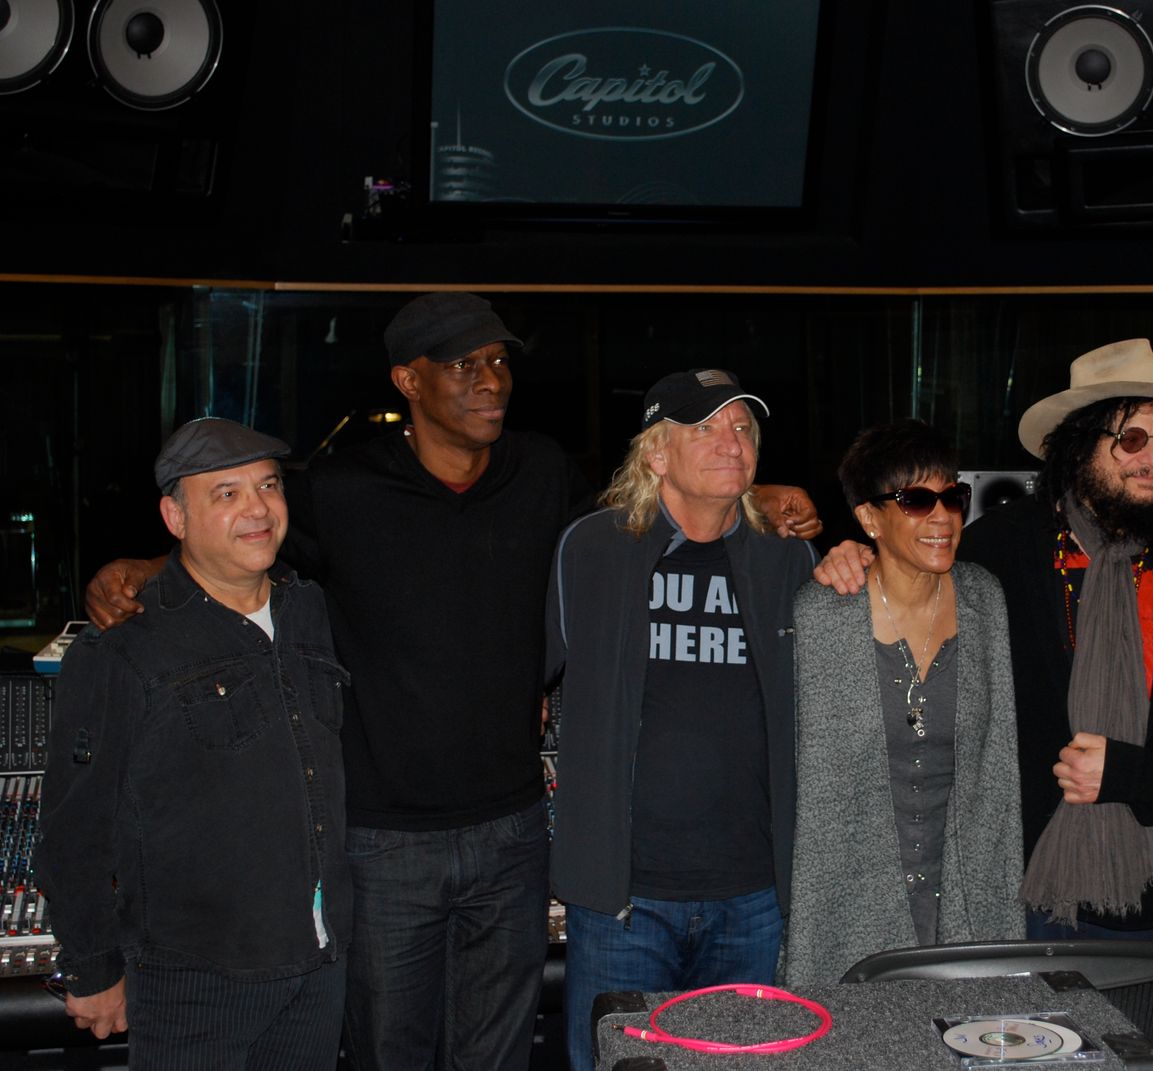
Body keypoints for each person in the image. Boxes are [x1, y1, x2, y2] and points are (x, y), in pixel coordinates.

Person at [83, 295, 822, 1070]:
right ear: (409, 380)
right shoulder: (343, 485)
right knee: (390, 1052)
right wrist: (148, 568)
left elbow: (656, 511)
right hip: (385, 842)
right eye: (464, 364)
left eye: (498, 361)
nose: (490, 379)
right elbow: (246, 547)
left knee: (498, 1056)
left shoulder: (542, 474)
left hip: (511, 834)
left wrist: (757, 495)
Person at [817, 339, 1153, 941]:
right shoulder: (999, 548)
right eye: (1132, 438)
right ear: (1080, 445)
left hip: (1145, 882)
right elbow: (908, 595)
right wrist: (852, 557)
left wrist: (1133, 773)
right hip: (1005, 878)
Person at [36, 417, 351, 1068]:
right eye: (226, 493)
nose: (258, 508)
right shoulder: (122, 648)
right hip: (195, 984)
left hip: (320, 967)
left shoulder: (312, 611)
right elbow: (75, 827)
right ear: (174, 517)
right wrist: (93, 967)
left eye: (268, 485)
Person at [547, 369, 818, 1071]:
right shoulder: (591, 550)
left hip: (754, 897)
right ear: (656, 454)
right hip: (623, 899)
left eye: (742, 428)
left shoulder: (788, 557)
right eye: (704, 427)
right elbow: (524, 680)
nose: (731, 442)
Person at [783, 420, 1025, 987]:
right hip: (849, 901)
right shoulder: (820, 613)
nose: (942, 517)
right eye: (916, 500)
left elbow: (998, 769)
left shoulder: (985, 599)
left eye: (952, 497)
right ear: (869, 518)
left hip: (968, 893)